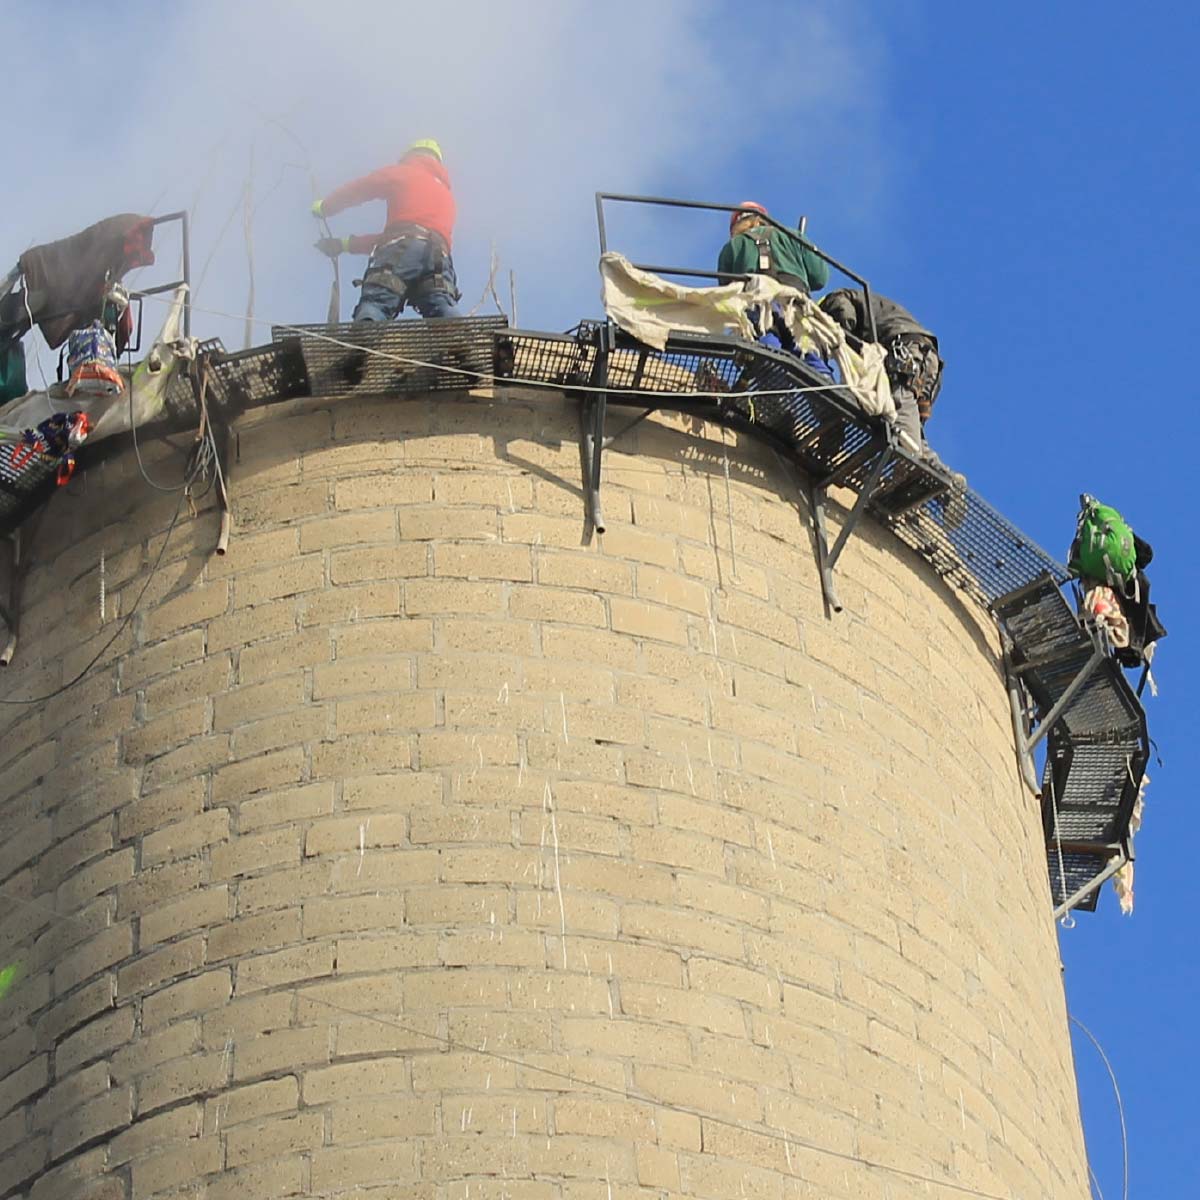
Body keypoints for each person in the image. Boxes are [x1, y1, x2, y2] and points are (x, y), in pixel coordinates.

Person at [312, 139, 461, 321]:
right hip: (439, 258)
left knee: (377, 301)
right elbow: (409, 240)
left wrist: (326, 207)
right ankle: (457, 339)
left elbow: (362, 188)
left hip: (400, 248)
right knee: (440, 304)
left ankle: (365, 339)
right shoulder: (446, 196)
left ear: (410, 156)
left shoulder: (404, 173)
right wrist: (344, 244)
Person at [820, 287, 954, 474]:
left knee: (901, 411)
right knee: (910, 418)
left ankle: (910, 468)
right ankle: (938, 471)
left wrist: (842, 339)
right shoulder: (873, 305)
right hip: (927, 360)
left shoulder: (836, 298)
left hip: (906, 351)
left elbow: (843, 314)